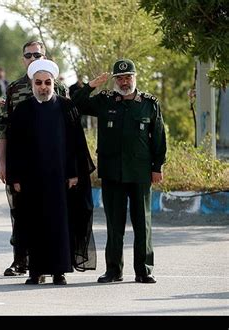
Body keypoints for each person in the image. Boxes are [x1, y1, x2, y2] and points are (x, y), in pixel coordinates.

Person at [72, 59, 167, 284]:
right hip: (113, 172)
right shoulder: (105, 101)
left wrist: (157, 167)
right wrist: (91, 85)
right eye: (120, 78)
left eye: (128, 77)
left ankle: (144, 270)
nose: (125, 82)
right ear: (115, 80)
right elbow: (75, 104)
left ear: (135, 78)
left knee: (142, 223)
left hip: (140, 172)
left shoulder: (149, 103)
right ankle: (113, 270)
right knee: (114, 225)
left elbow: (160, 138)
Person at [7, 59, 96, 284]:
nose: (43, 87)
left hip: (61, 179)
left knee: (60, 224)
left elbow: (77, 143)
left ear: (54, 83)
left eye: (47, 82)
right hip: (31, 180)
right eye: (39, 83)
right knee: (34, 224)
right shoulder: (22, 110)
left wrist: (75, 172)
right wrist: (15, 177)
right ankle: (36, 272)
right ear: (32, 84)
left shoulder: (66, 107)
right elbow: (14, 147)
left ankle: (59, 271)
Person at [0, 40, 68, 277]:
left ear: (45, 56)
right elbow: (4, 127)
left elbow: (68, 127)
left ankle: (54, 264)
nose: (33, 58)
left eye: (37, 54)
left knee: (53, 214)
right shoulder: (15, 89)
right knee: (20, 212)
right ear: (23, 59)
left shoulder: (59, 87)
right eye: (28, 55)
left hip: (53, 165)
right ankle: (20, 260)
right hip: (25, 164)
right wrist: (3, 163)